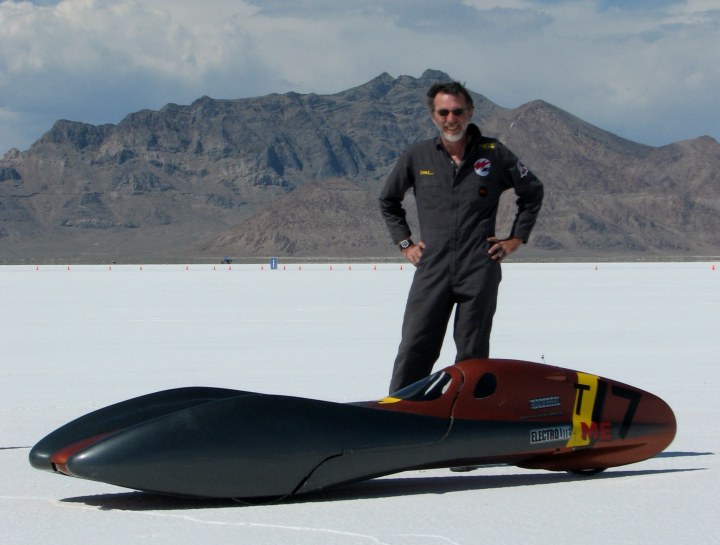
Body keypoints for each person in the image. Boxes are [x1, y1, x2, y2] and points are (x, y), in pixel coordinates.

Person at [379, 81, 544, 393]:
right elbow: (388, 200)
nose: (450, 119)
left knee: (472, 353)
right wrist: (405, 244)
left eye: (457, 111)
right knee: (416, 344)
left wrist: (515, 239)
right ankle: (400, 413)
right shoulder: (418, 156)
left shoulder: (494, 154)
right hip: (433, 267)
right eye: (443, 112)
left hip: (478, 267)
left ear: (469, 113)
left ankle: (468, 419)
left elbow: (532, 192)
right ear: (433, 116)